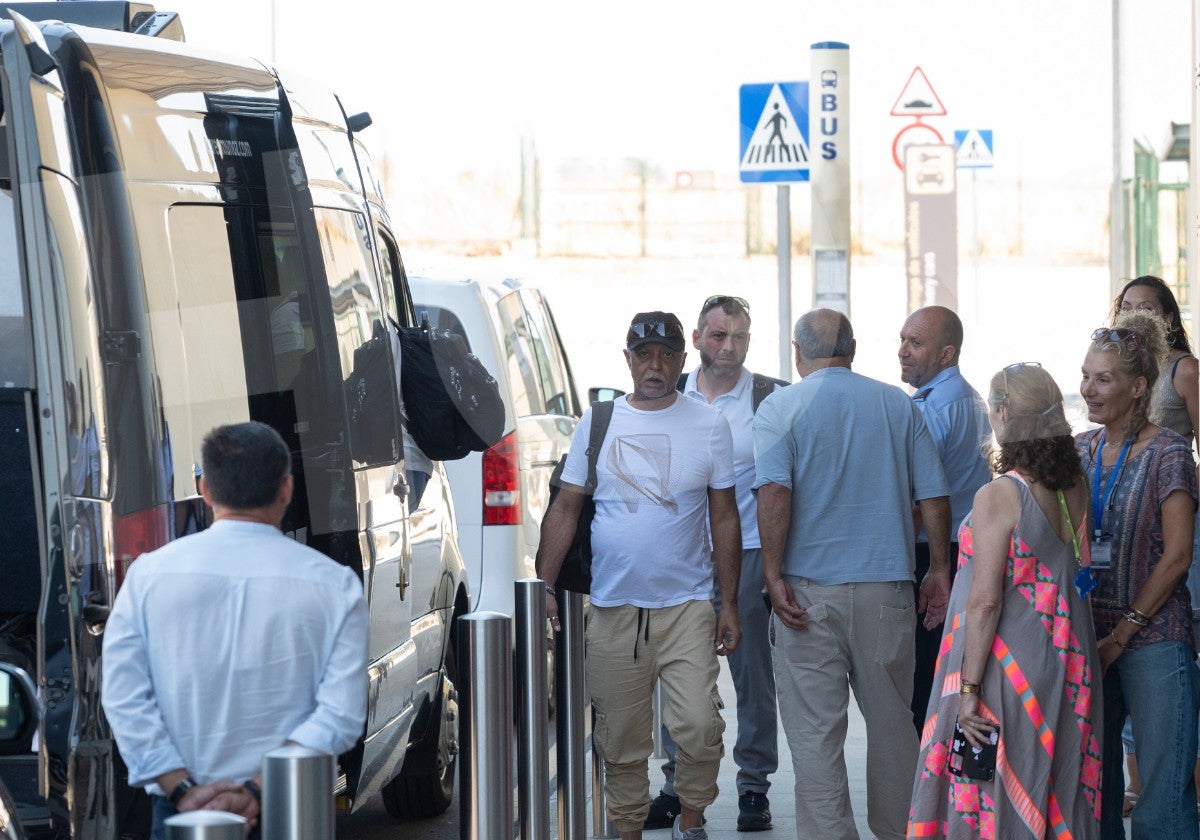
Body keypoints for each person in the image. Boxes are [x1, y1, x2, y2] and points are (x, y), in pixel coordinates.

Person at [102, 422, 368, 839]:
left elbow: (122, 696)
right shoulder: (336, 586)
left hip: (180, 813)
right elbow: (341, 715)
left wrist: (183, 791)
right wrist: (254, 791)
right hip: (293, 811)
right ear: (287, 489)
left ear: (204, 488)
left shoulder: (148, 576)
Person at [536, 311, 742, 840]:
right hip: (613, 608)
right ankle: (627, 829)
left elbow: (724, 516)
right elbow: (565, 508)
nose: (655, 366)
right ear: (627, 358)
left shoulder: (708, 424)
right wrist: (544, 586)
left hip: (688, 608)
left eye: (667, 355)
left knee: (699, 727)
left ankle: (691, 820)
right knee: (620, 738)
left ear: (683, 359)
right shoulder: (598, 420)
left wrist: (731, 604)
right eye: (644, 354)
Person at [753, 308, 952, 840]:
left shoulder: (780, 408)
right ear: (854, 348)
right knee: (893, 732)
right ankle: (902, 832)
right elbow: (933, 493)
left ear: (798, 354)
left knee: (816, 740)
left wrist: (772, 576)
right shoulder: (896, 405)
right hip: (886, 591)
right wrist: (938, 567)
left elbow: (773, 493)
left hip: (805, 598)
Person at [907, 363, 1102, 839]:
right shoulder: (1072, 485)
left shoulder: (1001, 493)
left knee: (985, 791)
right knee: (1054, 785)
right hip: (1066, 660)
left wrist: (969, 692)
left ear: (1005, 414)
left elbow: (985, 602)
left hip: (1004, 665)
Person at [646, 295, 785, 833]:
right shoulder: (669, 396)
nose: (730, 347)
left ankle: (754, 789)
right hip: (681, 559)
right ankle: (676, 786)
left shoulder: (770, 398)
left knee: (752, 679)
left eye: (741, 337)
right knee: (675, 678)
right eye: (720, 336)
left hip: (748, 555)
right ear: (698, 340)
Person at [1076, 313, 1199, 838]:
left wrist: (1121, 635)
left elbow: (1177, 557)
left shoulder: (1170, 451)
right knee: (1093, 791)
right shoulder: (1079, 449)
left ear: (1138, 386)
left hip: (1153, 640)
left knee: (1162, 797)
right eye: (1085, 375)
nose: (1088, 389)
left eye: (1103, 379)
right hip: (1087, 639)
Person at [1108, 275, 1199, 817]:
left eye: (1147, 307)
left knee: (1168, 665)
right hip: (1126, 542)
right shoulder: (1116, 370)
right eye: (1127, 306)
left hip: (1175, 519)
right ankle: (1138, 788)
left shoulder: (1183, 370)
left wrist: (1180, 502)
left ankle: (1166, 793)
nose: (1134, 314)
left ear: (1167, 317)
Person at [898, 305, 993, 733]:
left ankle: (930, 784)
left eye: (915, 344)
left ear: (946, 354)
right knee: (946, 670)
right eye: (902, 340)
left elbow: (918, 496)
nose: (902, 351)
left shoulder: (932, 408)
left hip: (933, 554)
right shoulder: (966, 396)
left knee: (925, 682)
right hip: (961, 550)